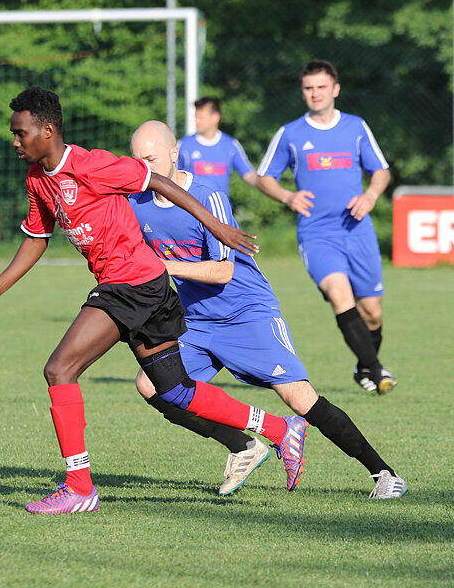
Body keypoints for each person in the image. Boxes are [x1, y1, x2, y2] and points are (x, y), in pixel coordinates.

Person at [0, 87, 309, 515]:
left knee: (59, 369)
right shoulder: (37, 179)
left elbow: (160, 182)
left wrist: (217, 227)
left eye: (20, 132)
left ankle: (79, 487)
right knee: (175, 391)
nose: (15, 141)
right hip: (145, 287)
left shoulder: (92, 164)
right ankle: (280, 428)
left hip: (131, 286)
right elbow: (36, 239)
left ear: (47, 130)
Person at [128, 120, 407, 499]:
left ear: (175, 153)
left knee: (299, 398)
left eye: (151, 158)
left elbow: (223, 270)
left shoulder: (207, 197)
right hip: (197, 320)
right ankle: (244, 446)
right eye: (137, 160)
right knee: (153, 386)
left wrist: (165, 267)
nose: (143, 167)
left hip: (247, 313)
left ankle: (384, 474)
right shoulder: (136, 201)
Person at [255, 60, 396, 394]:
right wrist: (288, 197)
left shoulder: (356, 127)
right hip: (317, 234)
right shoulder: (290, 133)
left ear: (335, 89)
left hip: (357, 230)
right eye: (308, 88)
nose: (315, 94)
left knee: (372, 313)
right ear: (303, 92)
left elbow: (381, 171)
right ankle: (377, 371)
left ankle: (364, 366)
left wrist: (371, 195)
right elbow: (264, 178)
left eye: (321, 87)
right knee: (338, 295)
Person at [176, 97, 257, 196]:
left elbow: (250, 176)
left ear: (215, 118)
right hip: (190, 210)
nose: (197, 121)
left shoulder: (231, 145)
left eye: (201, 117)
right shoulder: (183, 145)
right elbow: (171, 178)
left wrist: (268, 184)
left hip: (220, 210)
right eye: (196, 117)